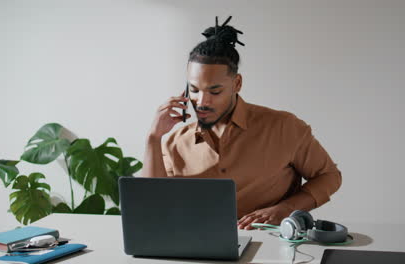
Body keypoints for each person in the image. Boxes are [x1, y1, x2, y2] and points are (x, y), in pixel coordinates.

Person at [142, 16, 341, 230]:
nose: (202, 102)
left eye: (214, 91)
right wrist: (154, 138)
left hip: (270, 244)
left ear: (237, 83)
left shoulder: (284, 127)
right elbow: (154, 207)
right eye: (195, 90)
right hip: (196, 246)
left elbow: (329, 176)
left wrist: (286, 208)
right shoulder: (174, 143)